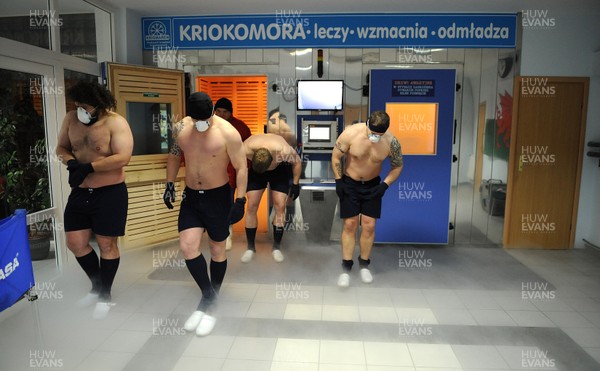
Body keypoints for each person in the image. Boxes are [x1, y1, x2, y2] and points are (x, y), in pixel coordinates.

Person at [163, 92, 247, 336]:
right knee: (188, 247)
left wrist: (240, 200)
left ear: (212, 112)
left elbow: (241, 167)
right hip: (191, 197)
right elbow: (174, 155)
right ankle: (208, 298)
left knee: (218, 249)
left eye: (206, 119)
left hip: (218, 197)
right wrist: (169, 184)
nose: (201, 124)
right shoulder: (181, 128)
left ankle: (212, 299)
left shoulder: (228, 132)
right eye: (196, 119)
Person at [56, 80, 134, 319]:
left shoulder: (116, 122)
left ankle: (105, 295)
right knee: (75, 243)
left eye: (85, 105)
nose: (80, 109)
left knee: (107, 244)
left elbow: (123, 157)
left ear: (99, 104)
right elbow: (61, 147)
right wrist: (71, 162)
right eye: (77, 104)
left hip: (110, 192)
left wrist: (89, 166)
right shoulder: (71, 119)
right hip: (80, 192)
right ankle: (97, 284)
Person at [331, 110, 403, 287]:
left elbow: (398, 166)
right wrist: (339, 181)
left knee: (369, 225)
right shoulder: (350, 133)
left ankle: (364, 265)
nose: (374, 137)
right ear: (368, 124)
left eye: (379, 135)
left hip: (373, 185)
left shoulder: (391, 142)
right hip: (350, 183)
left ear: (385, 131)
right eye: (372, 133)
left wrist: (384, 185)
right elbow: (336, 156)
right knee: (350, 224)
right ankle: (346, 268)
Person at [241, 133, 301, 263]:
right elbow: (239, 168)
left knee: (280, 205)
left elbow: (297, 163)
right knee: (251, 205)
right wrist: (240, 195)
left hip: (279, 170)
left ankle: (276, 247)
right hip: (256, 172)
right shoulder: (245, 148)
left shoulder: (284, 151)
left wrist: (296, 184)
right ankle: (250, 248)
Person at [213, 97, 252, 251]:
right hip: (213, 173)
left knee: (230, 203)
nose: (221, 115)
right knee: (216, 205)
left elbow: (248, 152)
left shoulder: (240, 127)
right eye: (219, 111)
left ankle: (227, 233)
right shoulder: (207, 126)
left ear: (231, 113)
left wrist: (247, 171)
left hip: (233, 174)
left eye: (225, 112)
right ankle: (216, 232)